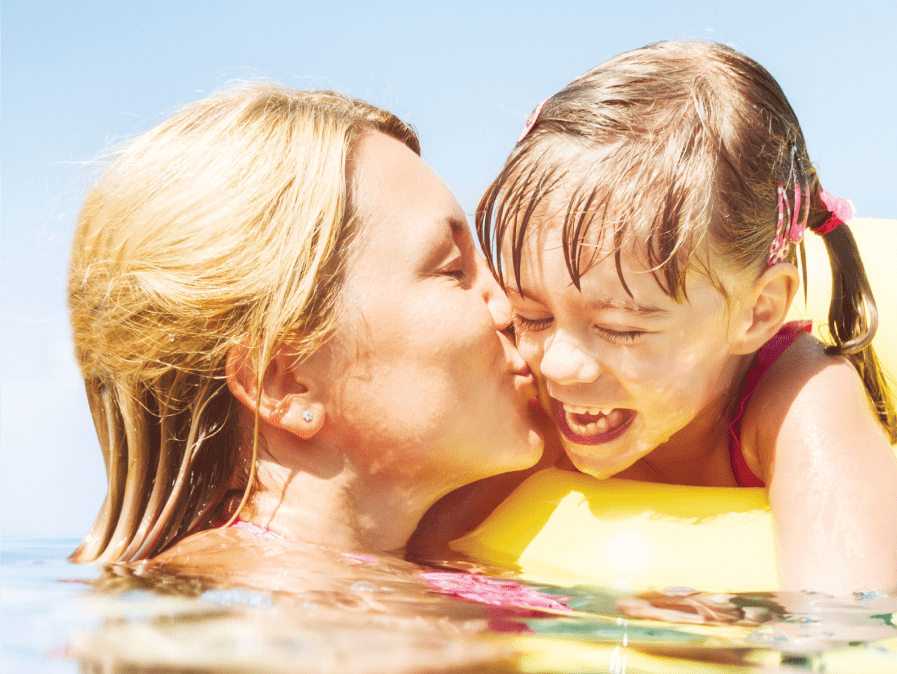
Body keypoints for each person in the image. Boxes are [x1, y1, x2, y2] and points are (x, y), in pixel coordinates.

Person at [471, 41, 897, 595]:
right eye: (531, 315)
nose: (558, 365)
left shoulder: (798, 397)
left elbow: (847, 609)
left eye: (621, 328)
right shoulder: (528, 394)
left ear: (757, 311)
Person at [67, 84, 545, 575]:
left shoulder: (388, 577)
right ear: (284, 382)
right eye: (452, 270)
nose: (512, 304)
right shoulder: (275, 621)